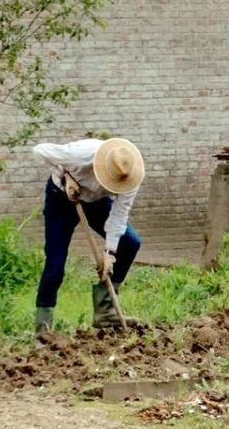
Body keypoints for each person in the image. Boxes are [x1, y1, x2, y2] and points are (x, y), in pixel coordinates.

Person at [31, 137, 144, 333]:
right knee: (55, 265)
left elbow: (119, 215)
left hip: (96, 203)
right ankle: (43, 330)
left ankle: (105, 311)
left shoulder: (130, 176)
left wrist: (109, 253)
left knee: (130, 243)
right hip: (61, 200)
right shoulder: (81, 154)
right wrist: (65, 176)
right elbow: (40, 150)